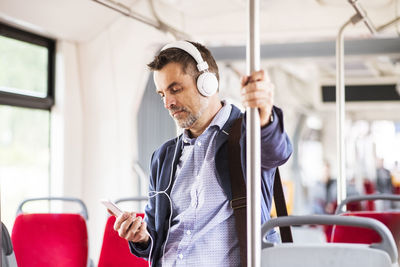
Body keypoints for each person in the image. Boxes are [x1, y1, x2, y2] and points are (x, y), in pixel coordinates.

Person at [111, 40, 292, 266]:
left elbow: (276, 150)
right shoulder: (163, 156)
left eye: (175, 89)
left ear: (208, 83)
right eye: (162, 94)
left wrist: (264, 117)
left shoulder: (247, 136)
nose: (168, 103)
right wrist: (142, 238)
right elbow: (155, 238)